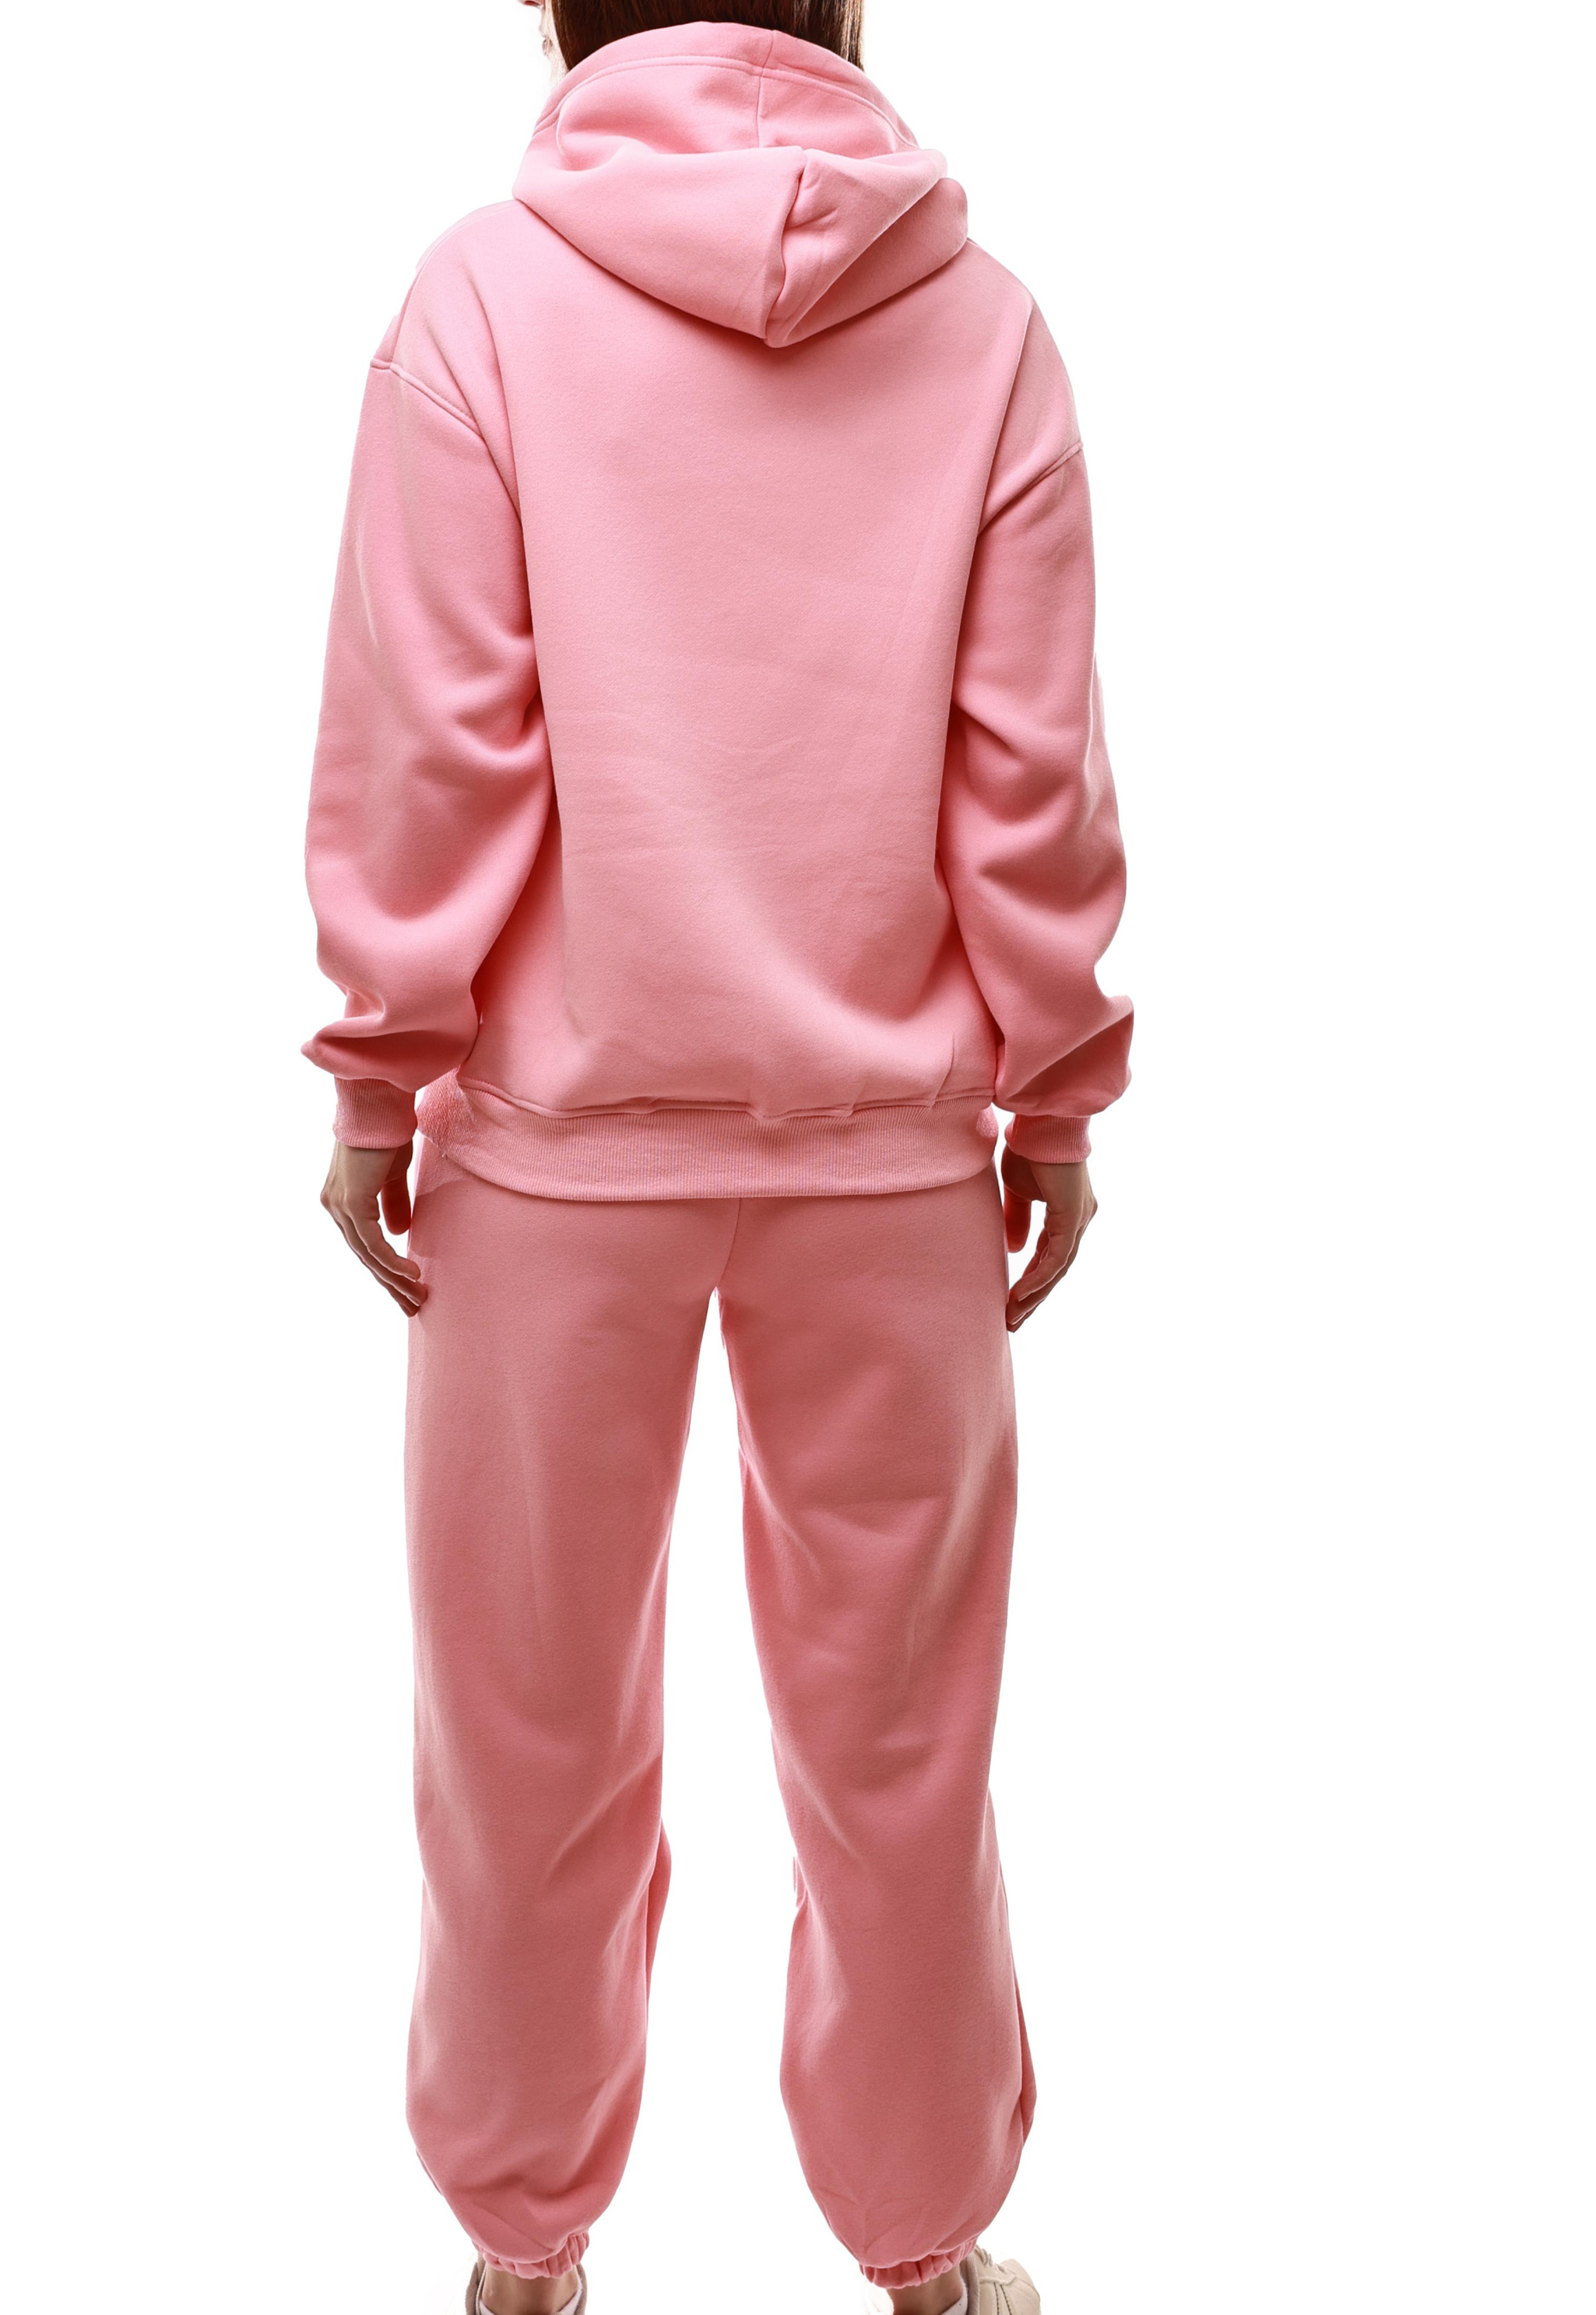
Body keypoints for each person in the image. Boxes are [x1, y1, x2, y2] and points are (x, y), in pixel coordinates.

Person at [303, 3, 1131, 2309]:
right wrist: (1055, 1084)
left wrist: (379, 1065)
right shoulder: (982, 322)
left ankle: (517, 2247)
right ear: (844, 10)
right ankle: (930, 2248)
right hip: (890, 1165)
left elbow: (430, 728)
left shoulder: (483, 292)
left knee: (522, 1726)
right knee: (901, 1739)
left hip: (551, 1154)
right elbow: (1030, 766)